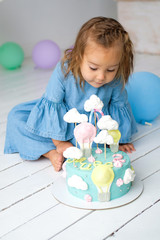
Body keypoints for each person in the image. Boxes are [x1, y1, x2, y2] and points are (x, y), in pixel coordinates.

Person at [4, 17, 137, 172]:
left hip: (92, 127)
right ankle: (50, 152)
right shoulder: (64, 71)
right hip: (60, 121)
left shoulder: (116, 79)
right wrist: (59, 143)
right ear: (79, 56)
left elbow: (118, 108)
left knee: (92, 144)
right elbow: (52, 106)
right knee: (16, 116)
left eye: (110, 69)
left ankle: (69, 150)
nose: (101, 76)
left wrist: (119, 140)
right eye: (93, 68)